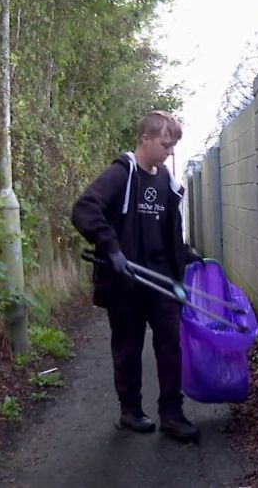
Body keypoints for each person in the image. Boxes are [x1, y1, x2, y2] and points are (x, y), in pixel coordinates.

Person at [71, 110, 203, 442]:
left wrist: (186, 257)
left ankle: (172, 414)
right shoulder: (123, 172)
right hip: (126, 283)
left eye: (173, 145)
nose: (170, 151)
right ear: (145, 140)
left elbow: (169, 233)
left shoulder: (167, 182)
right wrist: (111, 247)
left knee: (170, 345)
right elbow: (85, 208)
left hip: (160, 281)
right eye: (165, 144)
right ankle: (130, 411)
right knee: (128, 348)